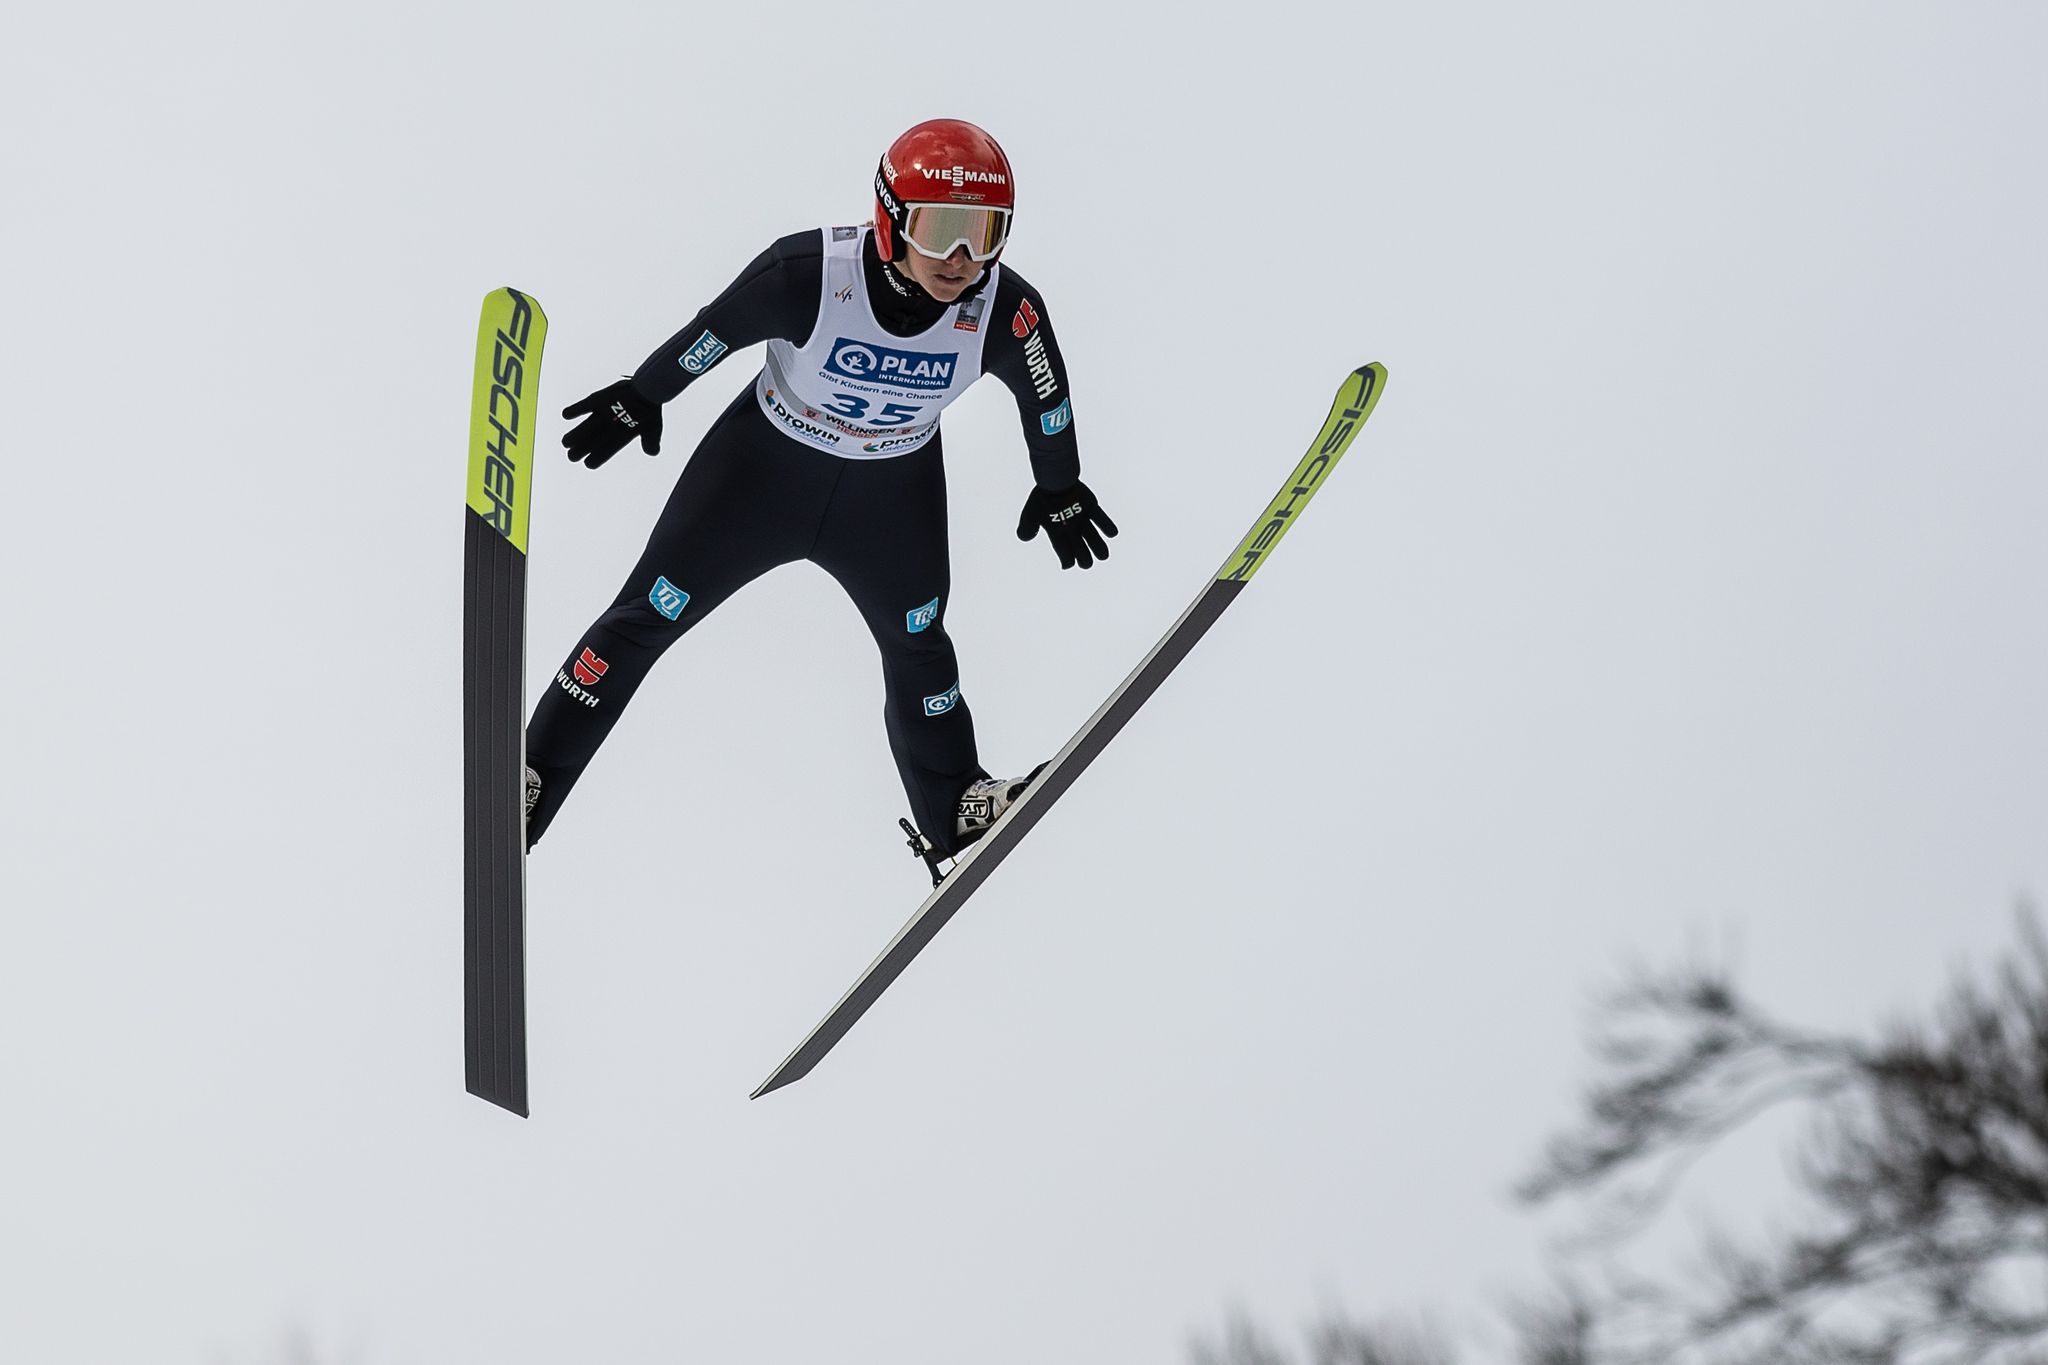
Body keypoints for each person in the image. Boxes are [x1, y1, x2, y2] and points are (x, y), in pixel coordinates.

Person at [522, 118, 1117, 864]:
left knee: (918, 643)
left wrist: (1058, 484)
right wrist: (644, 394)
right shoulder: (808, 274)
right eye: (942, 232)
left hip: (889, 501)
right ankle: (533, 776)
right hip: (760, 478)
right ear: (891, 219)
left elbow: (1046, 393)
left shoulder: (1004, 308)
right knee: (644, 616)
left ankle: (955, 803)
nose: (963, 260)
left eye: (986, 234)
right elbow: (714, 332)